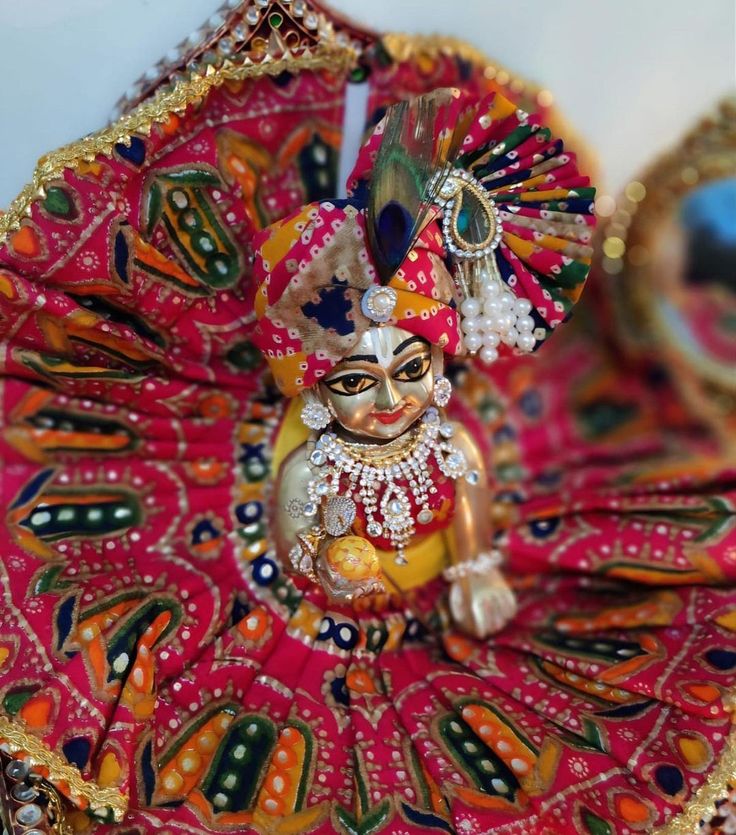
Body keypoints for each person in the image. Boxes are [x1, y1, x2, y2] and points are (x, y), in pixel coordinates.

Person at [0, 6, 733, 834]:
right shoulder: (309, 464)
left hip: (429, 601)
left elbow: (467, 504)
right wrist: (318, 561)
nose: (390, 398)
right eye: (357, 378)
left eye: (412, 368)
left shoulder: (449, 441)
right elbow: (293, 523)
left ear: (442, 364)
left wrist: (475, 569)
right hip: (315, 608)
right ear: (313, 387)